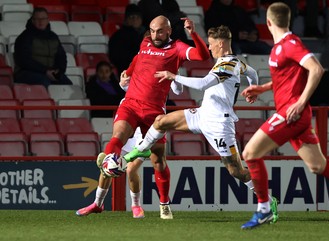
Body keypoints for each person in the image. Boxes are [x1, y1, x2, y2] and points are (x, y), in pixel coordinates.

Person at [239, 2, 329, 229]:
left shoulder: (290, 44)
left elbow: (316, 69)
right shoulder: (278, 48)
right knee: (317, 165)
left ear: (267, 23)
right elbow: (285, 79)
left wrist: (302, 101)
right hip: (294, 113)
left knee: (250, 153)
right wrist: (262, 89)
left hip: (292, 113)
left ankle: (263, 209)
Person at [122, 25, 279, 223]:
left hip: (219, 124)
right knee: (161, 121)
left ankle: (267, 199)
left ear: (221, 44)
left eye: (211, 44)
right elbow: (253, 72)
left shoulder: (227, 66)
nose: (209, 47)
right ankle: (141, 149)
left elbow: (203, 84)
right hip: (203, 114)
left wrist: (174, 76)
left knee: (235, 171)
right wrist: (253, 89)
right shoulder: (237, 62)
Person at [76, 15, 210, 219]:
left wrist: (193, 34)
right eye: (152, 30)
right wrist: (127, 73)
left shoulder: (177, 48)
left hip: (154, 113)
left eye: (160, 31)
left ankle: (164, 204)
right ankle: (99, 201)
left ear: (169, 31)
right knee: (115, 141)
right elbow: (138, 59)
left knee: (159, 161)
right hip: (131, 104)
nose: (155, 35)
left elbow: (203, 56)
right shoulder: (146, 41)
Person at [13, 7, 72, 88]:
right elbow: (24, 60)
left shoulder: (53, 37)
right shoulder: (25, 37)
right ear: (33, 20)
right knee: (44, 82)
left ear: (48, 20)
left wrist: (59, 70)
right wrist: (45, 71)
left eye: (43, 18)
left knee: (67, 84)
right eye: (37, 19)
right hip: (27, 72)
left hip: (49, 72)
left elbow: (61, 56)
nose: (41, 21)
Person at [204, 0, 271, 55]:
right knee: (234, 51)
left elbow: (251, 26)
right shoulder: (212, 13)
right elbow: (214, 33)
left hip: (246, 42)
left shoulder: (238, 10)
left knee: (265, 48)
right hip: (228, 43)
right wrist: (236, 35)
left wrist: (253, 34)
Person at [108, 4, 146, 76]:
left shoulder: (147, 34)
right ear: (126, 19)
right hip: (127, 72)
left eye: (137, 17)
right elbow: (116, 57)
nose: (135, 19)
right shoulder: (118, 36)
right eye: (131, 17)